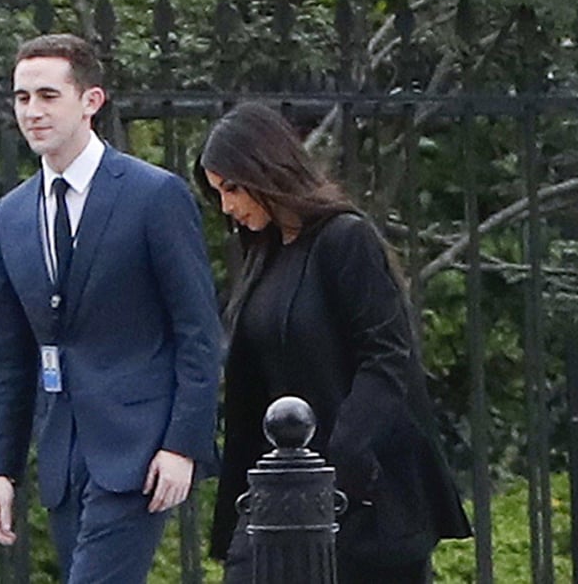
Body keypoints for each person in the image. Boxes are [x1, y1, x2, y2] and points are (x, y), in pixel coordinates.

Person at [194, 102, 472, 583]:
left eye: (232, 188)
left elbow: (387, 357)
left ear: (267, 171)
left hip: (359, 501)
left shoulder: (345, 240)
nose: (227, 207)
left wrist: (341, 460)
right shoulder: (265, 254)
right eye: (218, 192)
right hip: (279, 500)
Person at [0, 33, 221, 583]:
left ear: (91, 101)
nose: (32, 112)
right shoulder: (11, 214)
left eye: (48, 96)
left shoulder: (153, 195)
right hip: (62, 453)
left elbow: (198, 331)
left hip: (139, 449)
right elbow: (8, 355)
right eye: (22, 98)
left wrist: (183, 445)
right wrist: (0, 470)